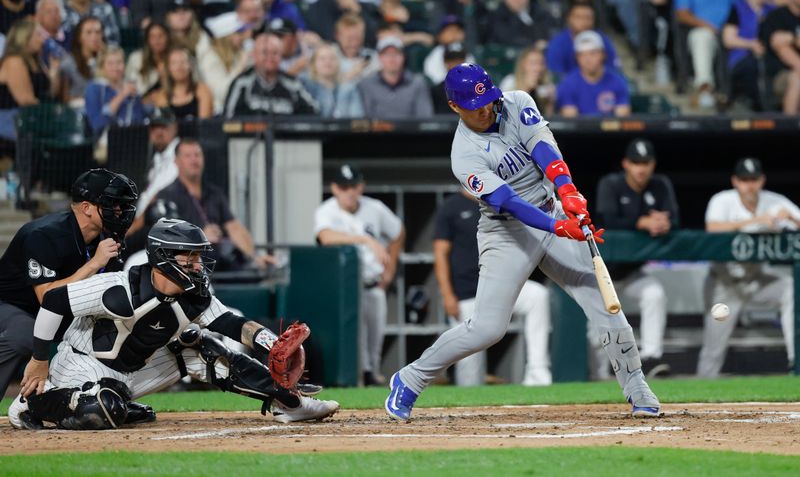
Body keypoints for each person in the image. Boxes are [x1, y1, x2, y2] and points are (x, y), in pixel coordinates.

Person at [384, 63, 661, 421]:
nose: (485, 110)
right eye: (474, 106)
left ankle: (636, 384)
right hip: (506, 232)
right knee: (487, 328)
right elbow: (512, 204)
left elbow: (545, 150)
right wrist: (558, 228)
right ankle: (410, 378)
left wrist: (569, 191)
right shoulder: (464, 154)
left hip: (551, 207)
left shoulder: (516, 102)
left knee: (603, 301)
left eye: (488, 101)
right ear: (455, 107)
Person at [7, 218, 339, 429]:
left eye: (198, 256)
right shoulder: (119, 288)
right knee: (105, 408)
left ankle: (289, 402)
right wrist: (39, 361)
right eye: (189, 257)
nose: (197, 264)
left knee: (202, 346)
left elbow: (231, 323)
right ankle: (35, 403)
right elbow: (53, 301)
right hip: (82, 365)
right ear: (164, 257)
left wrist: (270, 342)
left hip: (134, 370)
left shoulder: (195, 294)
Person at [0, 168, 137, 399]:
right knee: (25, 335)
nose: (119, 211)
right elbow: (47, 297)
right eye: (111, 204)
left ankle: (81, 399)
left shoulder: (106, 240)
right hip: (12, 306)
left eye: (120, 205)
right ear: (86, 208)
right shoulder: (43, 234)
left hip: (58, 316)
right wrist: (94, 264)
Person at [434, 188, 552, 386]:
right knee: (469, 373)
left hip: (500, 285)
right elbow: (440, 253)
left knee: (537, 296)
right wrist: (447, 294)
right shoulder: (451, 206)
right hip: (468, 293)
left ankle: (538, 374)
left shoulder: (499, 201)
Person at [697, 158, 798, 378]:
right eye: (744, 180)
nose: (749, 185)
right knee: (713, 350)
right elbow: (712, 228)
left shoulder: (775, 201)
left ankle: (795, 361)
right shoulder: (722, 200)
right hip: (724, 285)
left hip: (756, 280)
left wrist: (790, 217)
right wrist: (755, 221)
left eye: (753, 179)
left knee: (790, 288)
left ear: (761, 180)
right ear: (735, 181)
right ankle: (698, 401)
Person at [594, 138, 678, 379]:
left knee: (654, 294)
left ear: (653, 164)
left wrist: (665, 223)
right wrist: (642, 222)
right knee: (595, 333)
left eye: (646, 162)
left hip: (630, 273)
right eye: (635, 162)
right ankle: (599, 376)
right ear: (625, 164)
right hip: (599, 275)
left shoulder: (660, 185)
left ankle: (651, 357)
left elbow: (676, 219)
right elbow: (606, 220)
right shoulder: (610, 184)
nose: (641, 168)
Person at [315, 164, 405, 386]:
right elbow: (325, 237)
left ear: (361, 186)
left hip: (373, 283)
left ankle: (371, 376)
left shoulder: (374, 207)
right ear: (335, 188)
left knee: (375, 341)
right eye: (344, 187)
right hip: (344, 289)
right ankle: (359, 378)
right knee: (354, 342)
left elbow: (398, 232)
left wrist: (391, 269)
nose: (350, 191)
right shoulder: (327, 210)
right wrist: (366, 239)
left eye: (354, 186)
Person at [157, 139, 271, 270]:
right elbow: (165, 237)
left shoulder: (215, 193)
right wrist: (199, 236)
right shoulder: (167, 196)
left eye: (197, 155)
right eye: (188, 156)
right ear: (176, 162)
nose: (194, 160)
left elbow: (234, 227)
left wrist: (255, 257)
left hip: (223, 264)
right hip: (189, 269)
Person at [674, 0, 735, 109]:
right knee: (702, 36)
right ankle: (704, 88)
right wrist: (709, 27)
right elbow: (682, 14)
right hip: (700, 33)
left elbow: (737, 13)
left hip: (728, 35)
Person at [223, 30, 318, 117]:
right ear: (254, 55)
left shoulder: (293, 84)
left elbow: (313, 112)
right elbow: (229, 118)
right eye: (265, 53)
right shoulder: (242, 83)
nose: (270, 57)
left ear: (281, 56)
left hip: (285, 135)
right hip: (250, 136)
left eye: (275, 53)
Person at [0, 17, 59, 141]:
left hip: (33, 115)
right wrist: (50, 114)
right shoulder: (14, 61)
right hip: (11, 118)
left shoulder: (37, 60)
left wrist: (54, 73)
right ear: (25, 38)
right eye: (38, 35)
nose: (43, 39)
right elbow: (25, 100)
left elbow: (51, 93)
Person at [722, 0, 772, 110]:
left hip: (769, 55)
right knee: (750, 67)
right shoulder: (737, 9)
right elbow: (728, 39)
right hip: (743, 56)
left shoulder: (772, 11)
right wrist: (752, 44)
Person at [556, 31, 631, 117]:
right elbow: (571, 121)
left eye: (593, 53)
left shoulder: (617, 81)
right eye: (582, 55)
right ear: (576, 57)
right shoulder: (568, 84)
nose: (588, 59)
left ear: (603, 54)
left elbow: (622, 119)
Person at [357, 36, 433, 119]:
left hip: (411, 131)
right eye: (387, 54)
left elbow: (425, 119)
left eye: (396, 53)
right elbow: (365, 120)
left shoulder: (417, 83)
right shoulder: (366, 84)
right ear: (379, 57)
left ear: (404, 56)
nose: (392, 58)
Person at [760, 0, 800, 114]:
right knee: (797, 77)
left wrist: (791, 38)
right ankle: (791, 129)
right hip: (780, 76)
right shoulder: (776, 16)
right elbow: (778, 44)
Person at [545, 3, 620, 79]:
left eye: (588, 18)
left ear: (593, 20)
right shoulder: (557, 44)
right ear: (569, 19)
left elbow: (614, 69)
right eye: (578, 17)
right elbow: (557, 77)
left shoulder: (602, 39)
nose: (583, 22)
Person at [84, 46, 148, 134]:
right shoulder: (94, 89)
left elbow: (140, 118)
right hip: (106, 141)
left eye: (119, 62)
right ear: (102, 67)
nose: (116, 67)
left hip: (133, 138)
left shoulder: (131, 88)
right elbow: (98, 124)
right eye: (110, 64)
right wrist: (122, 95)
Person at [199, 12, 253, 113]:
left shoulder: (239, 52)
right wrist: (241, 66)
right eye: (239, 33)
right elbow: (223, 93)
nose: (243, 37)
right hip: (219, 113)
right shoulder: (210, 58)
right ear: (227, 36)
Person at [486, 0, 558, 49]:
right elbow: (505, 38)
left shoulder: (540, 13)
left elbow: (552, 31)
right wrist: (533, 45)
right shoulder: (498, 17)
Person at [301, 41, 365, 117]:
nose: (327, 62)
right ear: (314, 64)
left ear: (338, 63)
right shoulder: (304, 86)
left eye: (332, 58)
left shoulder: (348, 89)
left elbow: (357, 119)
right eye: (322, 58)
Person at [148, 47, 213, 121]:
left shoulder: (202, 90)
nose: (179, 67)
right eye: (174, 63)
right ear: (168, 68)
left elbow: (204, 125)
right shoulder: (162, 96)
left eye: (183, 62)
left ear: (191, 66)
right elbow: (165, 127)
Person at [59, 16, 106, 104]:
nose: (94, 37)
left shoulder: (108, 60)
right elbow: (64, 98)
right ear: (80, 37)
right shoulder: (69, 63)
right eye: (89, 33)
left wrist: (104, 57)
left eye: (98, 32)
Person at [500, 47, 555, 115]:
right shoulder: (510, 82)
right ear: (523, 64)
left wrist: (549, 102)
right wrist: (526, 89)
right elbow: (506, 113)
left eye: (541, 63)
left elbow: (550, 118)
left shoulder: (547, 86)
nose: (538, 68)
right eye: (533, 63)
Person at [423, 15, 476, 85]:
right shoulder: (436, 54)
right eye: (449, 30)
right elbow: (435, 81)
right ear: (440, 36)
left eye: (457, 30)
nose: (454, 34)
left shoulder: (467, 53)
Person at [126, 22, 172, 96]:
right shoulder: (136, 59)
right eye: (152, 36)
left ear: (168, 37)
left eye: (161, 35)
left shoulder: (177, 58)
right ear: (147, 40)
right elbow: (131, 86)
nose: (157, 40)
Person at [334, 12, 380, 83]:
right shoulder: (329, 58)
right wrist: (351, 74)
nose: (354, 43)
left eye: (358, 38)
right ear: (338, 36)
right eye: (349, 39)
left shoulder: (373, 57)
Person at [431, 41, 467, 113]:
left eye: (459, 60)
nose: (456, 64)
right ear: (445, 63)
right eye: (452, 60)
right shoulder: (436, 92)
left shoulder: (475, 90)